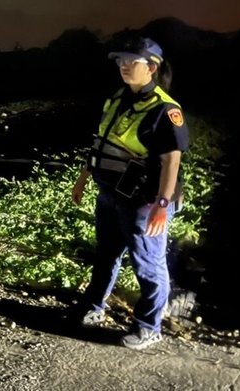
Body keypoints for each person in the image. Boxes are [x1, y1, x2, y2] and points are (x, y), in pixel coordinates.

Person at [70, 36, 189, 350]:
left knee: (148, 264)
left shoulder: (165, 109)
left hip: (144, 201)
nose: (123, 65)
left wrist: (162, 205)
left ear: (151, 67)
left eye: (131, 61)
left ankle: (149, 327)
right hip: (109, 192)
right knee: (106, 254)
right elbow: (101, 141)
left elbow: (171, 161)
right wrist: (83, 179)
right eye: (120, 60)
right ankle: (94, 307)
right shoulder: (118, 99)